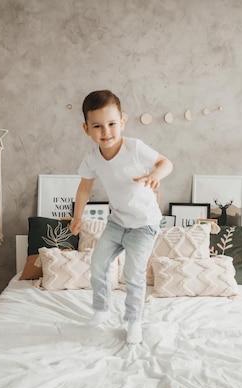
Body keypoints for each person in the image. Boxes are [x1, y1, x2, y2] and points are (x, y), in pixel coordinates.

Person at [70, 90, 173, 344]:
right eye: (98, 126)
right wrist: (77, 216)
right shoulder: (92, 158)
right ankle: (102, 310)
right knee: (98, 264)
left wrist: (154, 177)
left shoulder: (135, 148)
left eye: (112, 124)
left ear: (122, 122)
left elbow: (166, 163)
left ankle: (133, 321)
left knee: (133, 275)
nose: (106, 132)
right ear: (86, 129)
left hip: (144, 225)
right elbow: (84, 188)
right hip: (117, 222)